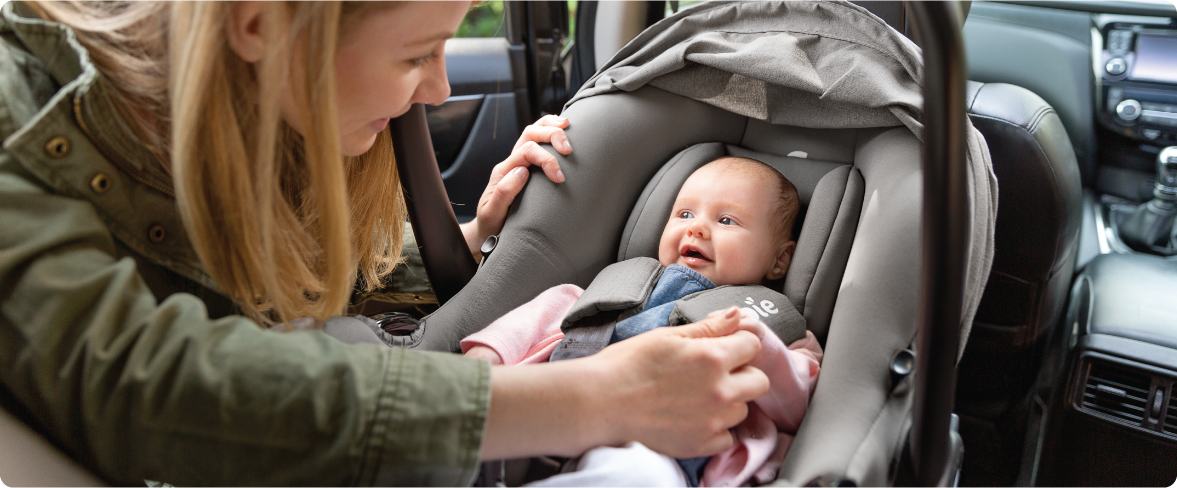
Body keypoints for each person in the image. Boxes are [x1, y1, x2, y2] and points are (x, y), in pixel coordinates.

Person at [0, 0, 771, 486]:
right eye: (414, 53)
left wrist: (473, 238)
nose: (437, 89)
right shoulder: (19, 114)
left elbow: (287, 276)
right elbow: (144, 384)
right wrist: (599, 398)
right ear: (262, 22)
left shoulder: (254, 129)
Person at [462, 157, 823, 488]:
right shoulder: (620, 286)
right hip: (552, 412)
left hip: (660, 450)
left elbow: (796, 403)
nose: (696, 228)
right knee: (463, 443)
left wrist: (757, 347)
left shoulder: (772, 324)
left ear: (780, 260)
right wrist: (488, 357)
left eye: (726, 220)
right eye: (683, 214)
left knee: (642, 475)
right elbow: (540, 316)